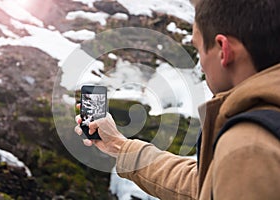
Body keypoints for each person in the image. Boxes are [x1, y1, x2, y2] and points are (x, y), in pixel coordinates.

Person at [74, 0, 280, 199]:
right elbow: (201, 185)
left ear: (223, 51)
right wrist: (118, 145)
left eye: (199, 50)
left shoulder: (249, 147)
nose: (201, 66)